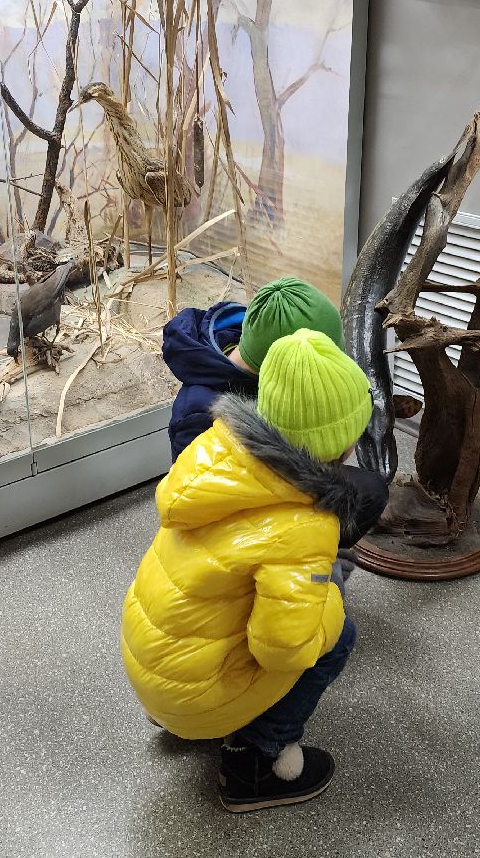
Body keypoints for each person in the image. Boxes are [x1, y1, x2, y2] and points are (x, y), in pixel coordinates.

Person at [122, 329, 375, 811]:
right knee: (336, 637)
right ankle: (255, 763)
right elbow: (284, 650)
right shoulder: (305, 525)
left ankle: (189, 718)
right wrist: (330, 599)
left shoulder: (216, 450)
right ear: (341, 443)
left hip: (151, 667)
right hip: (193, 695)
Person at [161, 277, 387, 547]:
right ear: (282, 358)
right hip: (239, 516)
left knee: (371, 488)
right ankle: (307, 549)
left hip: (271, 482)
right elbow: (197, 496)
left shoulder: (257, 339)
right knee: (364, 495)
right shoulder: (198, 412)